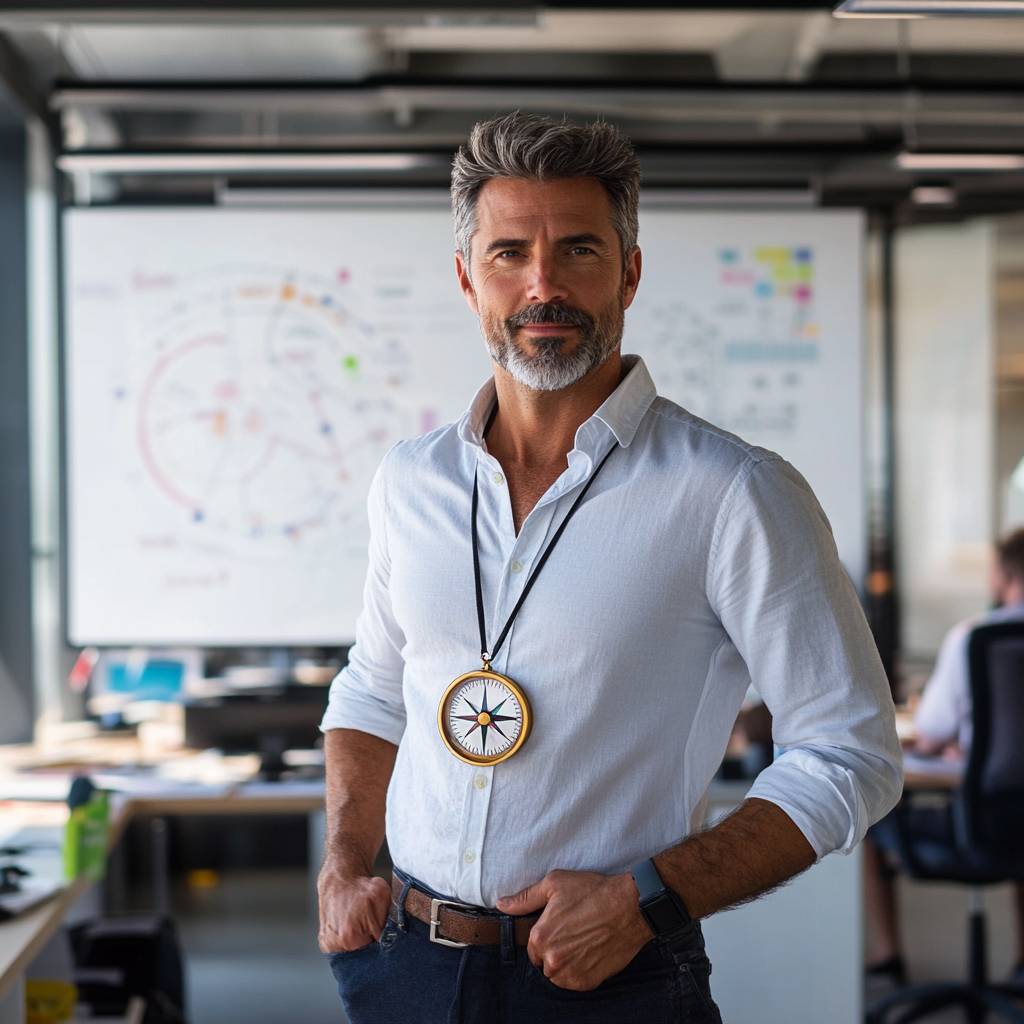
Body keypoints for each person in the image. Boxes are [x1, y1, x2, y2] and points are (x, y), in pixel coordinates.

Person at [317, 111, 902, 1024]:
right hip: (406, 968)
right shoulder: (411, 480)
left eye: (579, 251)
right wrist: (346, 864)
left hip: (611, 981)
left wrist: (646, 899)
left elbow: (851, 753)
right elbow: (374, 691)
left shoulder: (733, 492)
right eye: (510, 253)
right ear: (468, 280)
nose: (542, 285)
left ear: (629, 272)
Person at [864, 528, 1024, 987]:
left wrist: (938, 742)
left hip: (979, 822)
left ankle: (888, 956)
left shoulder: (975, 637)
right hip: (1014, 816)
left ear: (1002, 576)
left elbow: (932, 730)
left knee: (871, 821)